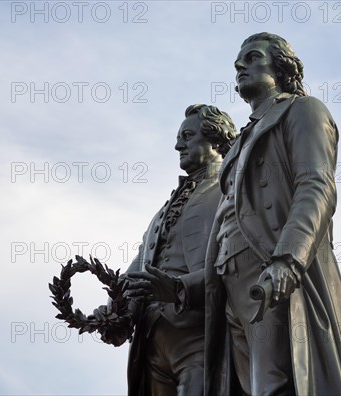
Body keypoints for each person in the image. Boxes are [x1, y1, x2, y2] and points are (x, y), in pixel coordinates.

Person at [199, 32, 341, 395]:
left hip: (270, 269)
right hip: (229, 283)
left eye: (253, 57)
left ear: (281, 67)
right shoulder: (237, 145)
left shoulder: (303, 110)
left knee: (273, 385)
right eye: (238, 60)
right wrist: (180, 286)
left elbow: (316, 185)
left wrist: (289, 260)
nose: (240, 65)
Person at [104, 104, 236, 396]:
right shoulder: (161, 213)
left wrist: (178, 289)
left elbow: (239, 266)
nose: (178, 144)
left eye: (188, 136)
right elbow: (138, 270)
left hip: (200, 335)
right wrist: (117, 309)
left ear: (215, 139)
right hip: (150, 345)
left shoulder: (232, 193)